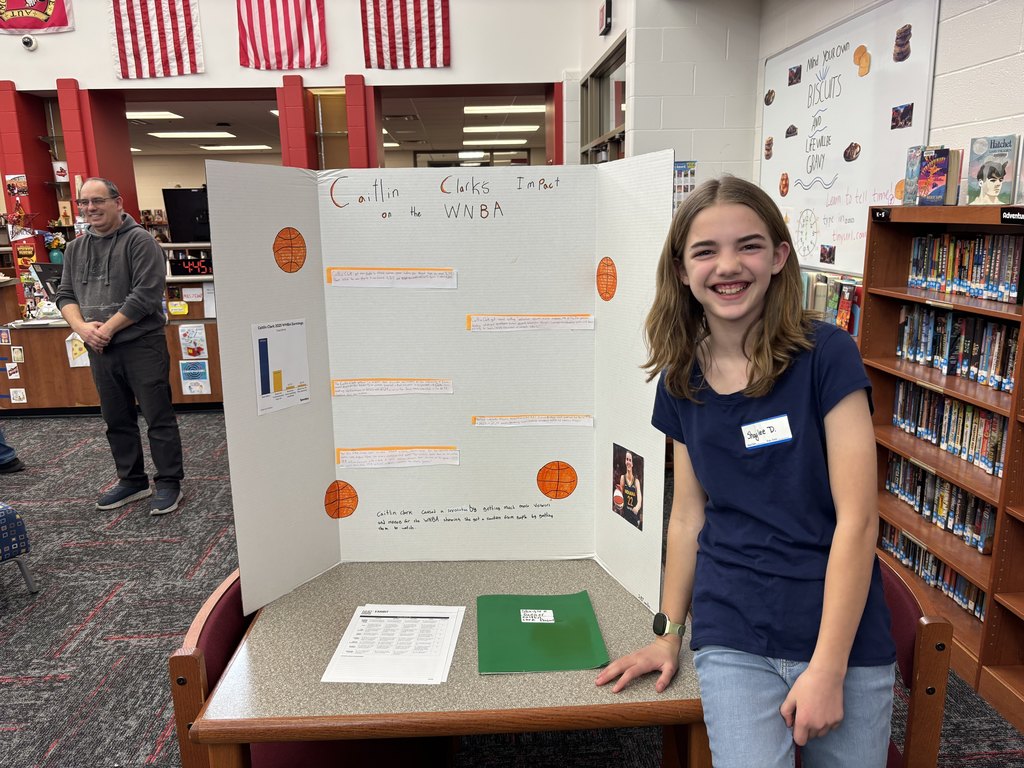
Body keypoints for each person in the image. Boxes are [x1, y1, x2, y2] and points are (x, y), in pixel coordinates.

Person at [595, 177, 896, 767]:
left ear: (780, 256)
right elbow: (686, 519)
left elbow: (858, 522)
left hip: (840, 627)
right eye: (705, 251)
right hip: (734, 625)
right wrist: (667, 632)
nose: (727, 266)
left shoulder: (826, 355)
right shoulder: (681, 378)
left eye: (749, 246)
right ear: (682, 270)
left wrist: (828, 667)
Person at [55, 178, 184, 516]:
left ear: (117, 202)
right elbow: (65, 295)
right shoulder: (75, 248)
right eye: (84, 203)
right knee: (116, 417)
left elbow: (145, 296)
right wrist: (83, 329)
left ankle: (169, 481)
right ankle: (132, 480)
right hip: (100, 348)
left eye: (97, 201)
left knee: (158, 416)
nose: (90, 209)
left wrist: (106, 330)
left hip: (141, 343)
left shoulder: (141, 242)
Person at [617, 451, 642, 528]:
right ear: (625, 461)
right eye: (627, 459)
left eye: (630, 460)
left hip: (634, 517)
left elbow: (640, 500)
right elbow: (620, 496)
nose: (628, 462)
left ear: (632, 464)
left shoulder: (636, 482)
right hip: (625, 515)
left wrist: (637, 507)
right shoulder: (622, 478)